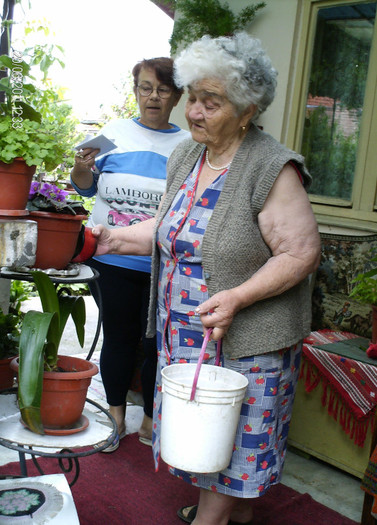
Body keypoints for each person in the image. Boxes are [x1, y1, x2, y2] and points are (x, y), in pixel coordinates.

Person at [90, 32, 321, 525]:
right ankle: (233, 511)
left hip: (245, 339)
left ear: (246, 108)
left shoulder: (271, 167)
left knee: (233, 435)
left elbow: (300, 252)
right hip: (188, 333)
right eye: (192, 97)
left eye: (209, 102)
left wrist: (238, 296)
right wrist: (111, 237)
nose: (192, 111)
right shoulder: (187, 157)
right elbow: (172, 227)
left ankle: (212, 518)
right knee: (206, 433)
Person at [70, 57, 190, 452]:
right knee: (119, 337)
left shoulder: (188, 146)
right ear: (135, 90)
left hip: (163, 264)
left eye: (163, 89)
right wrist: (80, 167)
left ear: (176, 95)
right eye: (145, 87)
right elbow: (86, 188)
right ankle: (116, 416)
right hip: (111, 260)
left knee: (158, 343)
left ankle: (152, 421)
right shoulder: (114, 133)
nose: (153, 96)